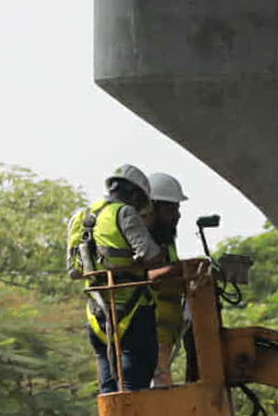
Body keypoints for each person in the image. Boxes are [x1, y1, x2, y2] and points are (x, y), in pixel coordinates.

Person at [66, 164, 165, 393]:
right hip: (133, 309)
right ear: (134, 194)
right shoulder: (124, 212)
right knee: (135, 378)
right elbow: (151, 256)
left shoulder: (79, 217)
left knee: (108, 380)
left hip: (97, 313)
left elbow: (73, 271)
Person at [144, 172, 190, 387]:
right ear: (152, 209)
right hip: (148, 330)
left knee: (164, 381)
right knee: (160, 386)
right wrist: (176, 270)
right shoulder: (140, 242)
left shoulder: (166, 242)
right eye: (171, 209)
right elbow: (140, 278)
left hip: (167, 330)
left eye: (177, 209)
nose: (177, 215)